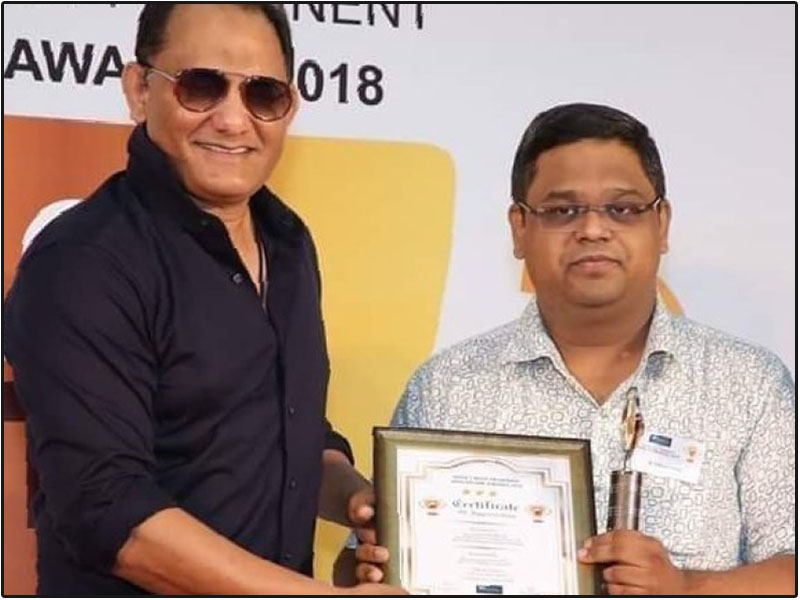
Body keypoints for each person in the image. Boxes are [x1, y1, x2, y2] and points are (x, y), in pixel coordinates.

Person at [3, 4, 403, 595]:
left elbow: (286, 429)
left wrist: (358, 500)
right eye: (201, 86)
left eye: (263, 94)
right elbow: (108, 511)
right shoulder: (84, 261)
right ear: (140, 90)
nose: (234, 120)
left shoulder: (288, 242)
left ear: (289, 108)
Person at [351, 103, 795, 594]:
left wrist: (687, 586)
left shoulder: (748, 382)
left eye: (623, 209)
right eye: (563, 211)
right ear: (520, 228)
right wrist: (376, 564)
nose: (593, 230)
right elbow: (363, 566)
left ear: (662, 224)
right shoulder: (447, 387)